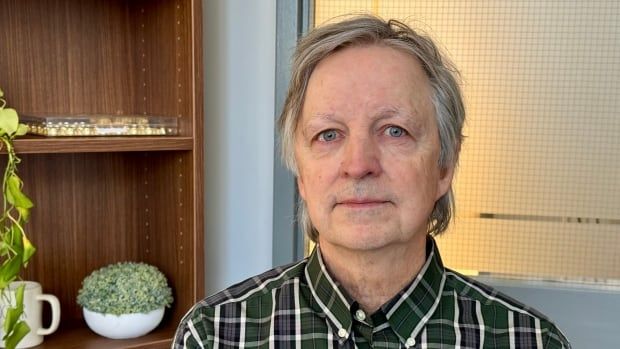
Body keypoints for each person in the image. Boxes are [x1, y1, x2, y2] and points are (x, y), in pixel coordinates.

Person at [173, 15, 571, 348]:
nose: (359, 164)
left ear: (445, 166)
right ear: (302, 176)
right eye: (328, 134)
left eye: (394, 131)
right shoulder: (215, 335)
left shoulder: (530, 340)